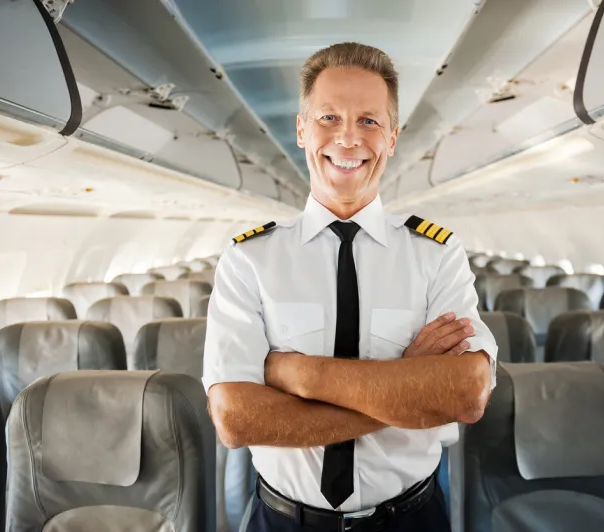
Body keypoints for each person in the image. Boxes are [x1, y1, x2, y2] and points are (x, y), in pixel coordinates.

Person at [203, 42, 497, 532]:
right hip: (281, 521)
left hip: (411, 519)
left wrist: (297, 375)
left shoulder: (437, 254)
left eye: (369, 121)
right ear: (301, 129)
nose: (348, 138)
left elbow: (465, 393)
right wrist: (406, 389)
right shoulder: (248, 259)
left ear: (393, 137)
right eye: (328, 118)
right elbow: (237, 419)